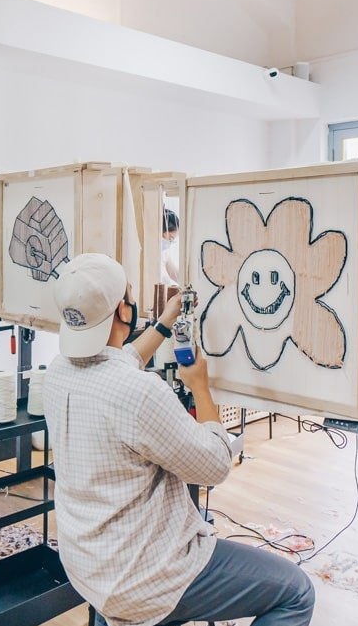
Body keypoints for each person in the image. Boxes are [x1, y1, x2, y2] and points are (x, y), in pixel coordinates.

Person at [44, 253, 314, 626]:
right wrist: (201, 389)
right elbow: (215, 467)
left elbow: (121, 359)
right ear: (124, 311)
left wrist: (166, 321)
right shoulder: (138, 392)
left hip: (87, 563)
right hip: (147, 577)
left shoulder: (57, 373)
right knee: (296, 592)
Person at [161, 208, 180, 285]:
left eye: (172, 240)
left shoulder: (165, 253)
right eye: (170, 238)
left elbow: (175, 274)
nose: (170, 242)